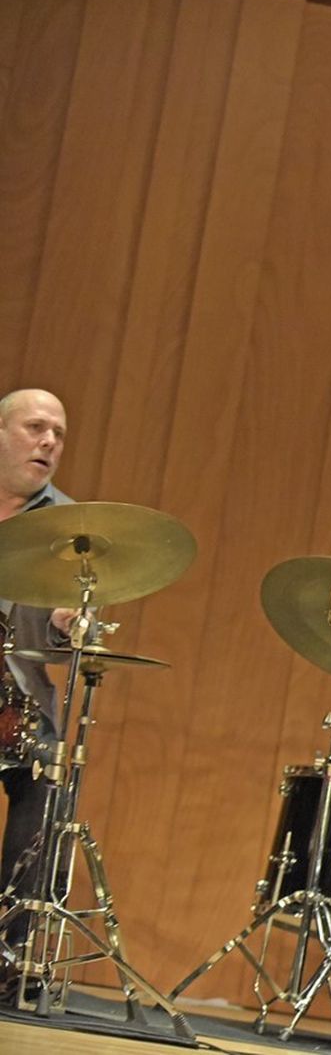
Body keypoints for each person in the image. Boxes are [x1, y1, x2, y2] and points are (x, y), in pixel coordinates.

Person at [0, 389, 75, 958]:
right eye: (35, 427)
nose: (48, 441)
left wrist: (63, 626)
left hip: (15, 701)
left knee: (48, 782)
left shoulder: (70, 530)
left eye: (58, 434)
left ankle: (10, 946)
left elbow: (60, 650)